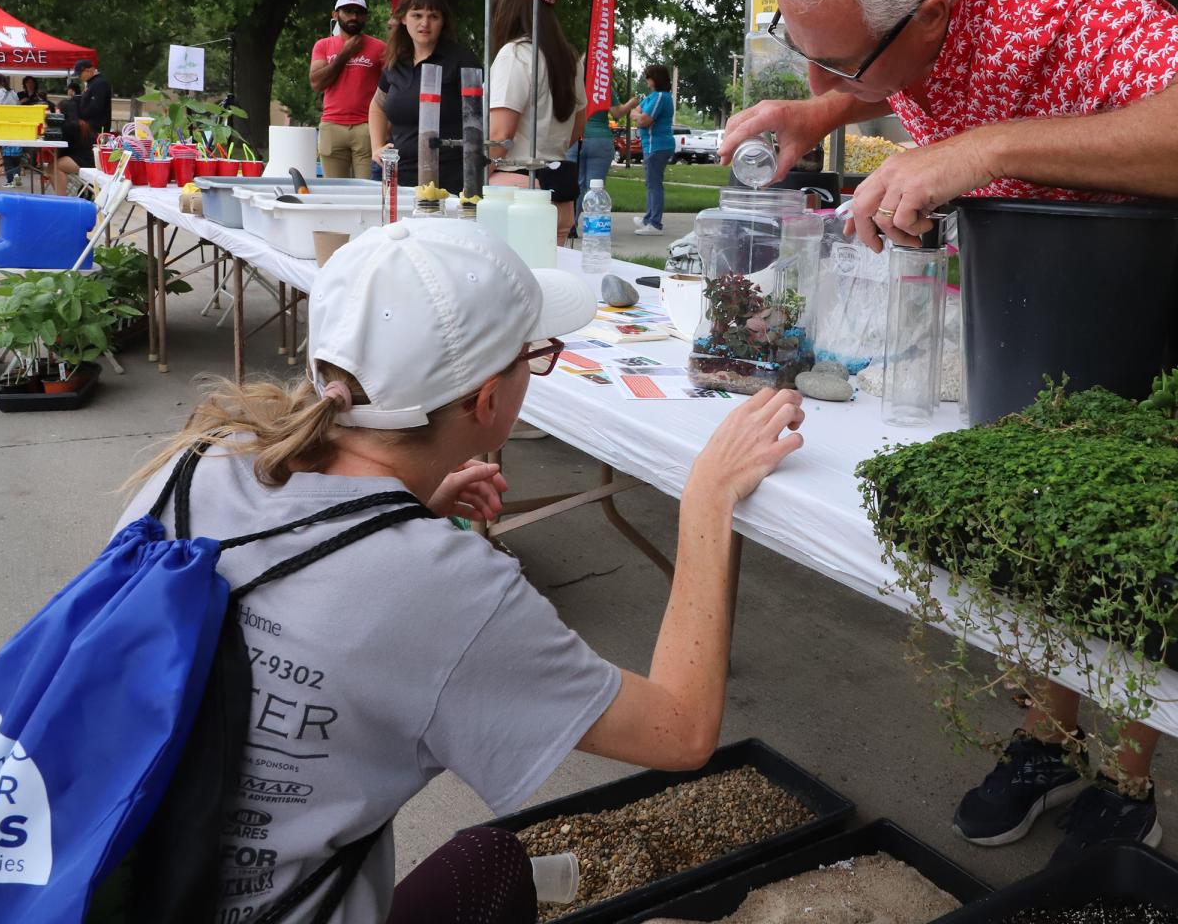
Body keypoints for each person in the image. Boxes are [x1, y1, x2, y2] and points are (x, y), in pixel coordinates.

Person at [721, 0, 1178, 862]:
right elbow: (873, 82)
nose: (820, 81)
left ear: (933, 17)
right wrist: (822, 115)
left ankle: (1128, 775)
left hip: (1162, 276)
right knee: (1030, 508)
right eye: (800, 50)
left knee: (1129, 530)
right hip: (1049, 269)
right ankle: (1046, 735)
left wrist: (988, 149)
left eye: (838, 67)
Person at [113, 218, 806, 922]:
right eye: (533, 358)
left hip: (110, 882)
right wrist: (705, 504)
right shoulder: (444, 587)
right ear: (486, 400)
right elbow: (681, 732)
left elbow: (299, 575)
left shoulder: (201, 461)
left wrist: (400, 510)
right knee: (494, 864)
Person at [485, 0, 586, 241]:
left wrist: (471, 181)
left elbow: (498, 135)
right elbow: (578, 126)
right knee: (549, 282)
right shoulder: (568, 59)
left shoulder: (515, 54)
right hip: (558, 194)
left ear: (509, 2)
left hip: (515, 193)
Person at [369, 0, 482, 192]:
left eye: (433, 16)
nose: (425, 24)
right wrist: (376, 147)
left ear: (443, 21)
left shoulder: (462, 61)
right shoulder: (394, 62)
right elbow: (377, 105)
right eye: (417, 15)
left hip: (448, 184)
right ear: (402, 17)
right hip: (398, 181)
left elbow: (482, 120)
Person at [310, 0, 385, 178]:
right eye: (348, 11)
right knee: (335, 192)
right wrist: (345, 54)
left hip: (366, 127)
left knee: (368, 192)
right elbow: (317, 83)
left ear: (366, 17)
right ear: (335, 15)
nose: (353, 17)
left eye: (359, 12)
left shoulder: (380, 47)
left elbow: (390, 89)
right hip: (331, 124)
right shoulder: (323, 45)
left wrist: (386, 126)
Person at [629, 64, 675, 235]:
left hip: (658, 146)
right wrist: (637, 115)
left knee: (654, 184)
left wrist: (638, 116)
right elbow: (636, 112)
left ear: (654, 79)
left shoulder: (661, 97)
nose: (646, 80)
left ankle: (655, 224)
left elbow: (644, 120)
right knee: (651, 183)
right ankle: (648, 218)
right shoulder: (652, 97)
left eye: (648, 77)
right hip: (652, 146)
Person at [72, 57, 113, 143]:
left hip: (97, 129)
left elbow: (96, 107)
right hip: (90, 128)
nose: (79, 77)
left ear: (89, 70)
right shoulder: (91, 83)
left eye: (80, 74)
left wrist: (79, 114)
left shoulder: (99, 83)